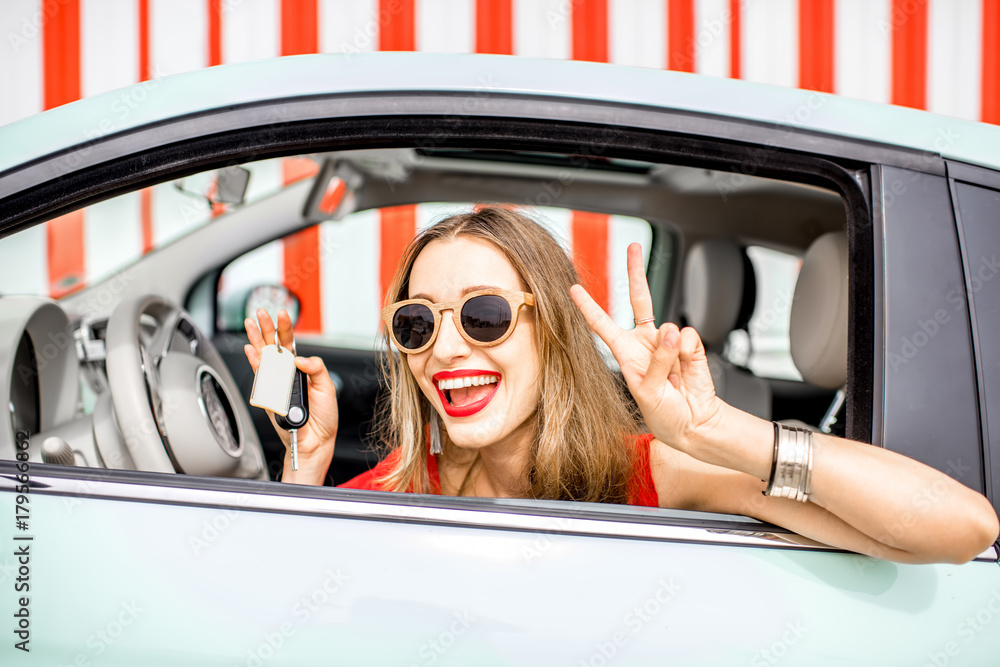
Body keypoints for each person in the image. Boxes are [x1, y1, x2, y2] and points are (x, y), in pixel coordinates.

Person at [244, 206, 999, 564]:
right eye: (416, 323)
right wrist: (303, 472)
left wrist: (714, 431)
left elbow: (962, 527)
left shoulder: (651, 470)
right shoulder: (402, 485)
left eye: (483, 316)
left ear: (554, 332)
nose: (443, 349)